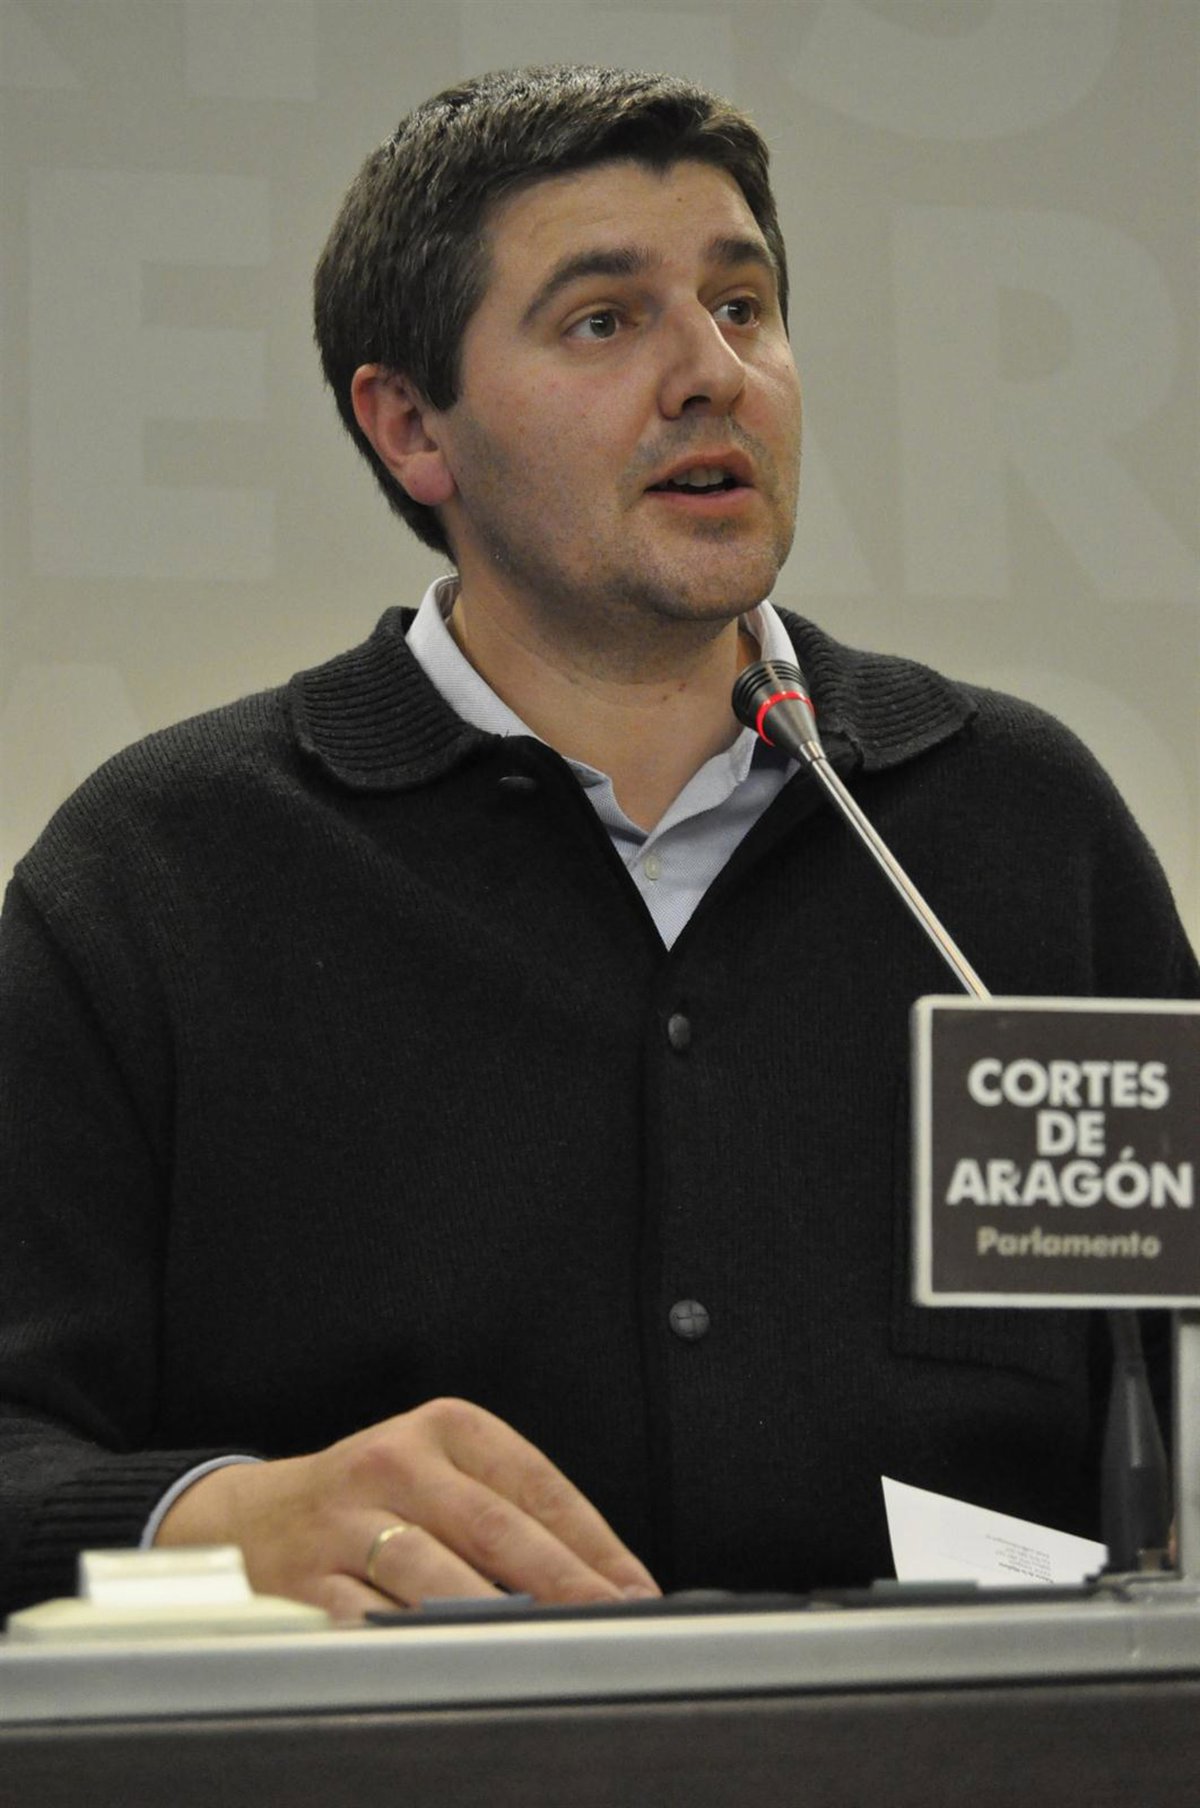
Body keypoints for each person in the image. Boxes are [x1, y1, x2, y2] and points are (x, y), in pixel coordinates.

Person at [0, 66, 1194, 1623]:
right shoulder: (164, 875)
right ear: (410, 428)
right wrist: (206, 1521)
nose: (713, 374)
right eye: (604, 321)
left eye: (744, 306)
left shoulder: (1015, 825)